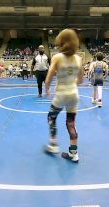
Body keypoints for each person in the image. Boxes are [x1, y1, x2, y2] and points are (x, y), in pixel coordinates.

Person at [44, 29, 83, 163]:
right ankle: (74, 153)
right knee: (71, 123)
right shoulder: (78, 58)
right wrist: (72, 83)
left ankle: (54, 144)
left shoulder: (57, 57)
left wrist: (47, 89)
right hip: (74, 94)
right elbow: (81, 80)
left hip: (61, 94)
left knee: (51, 117)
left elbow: (49, 77)